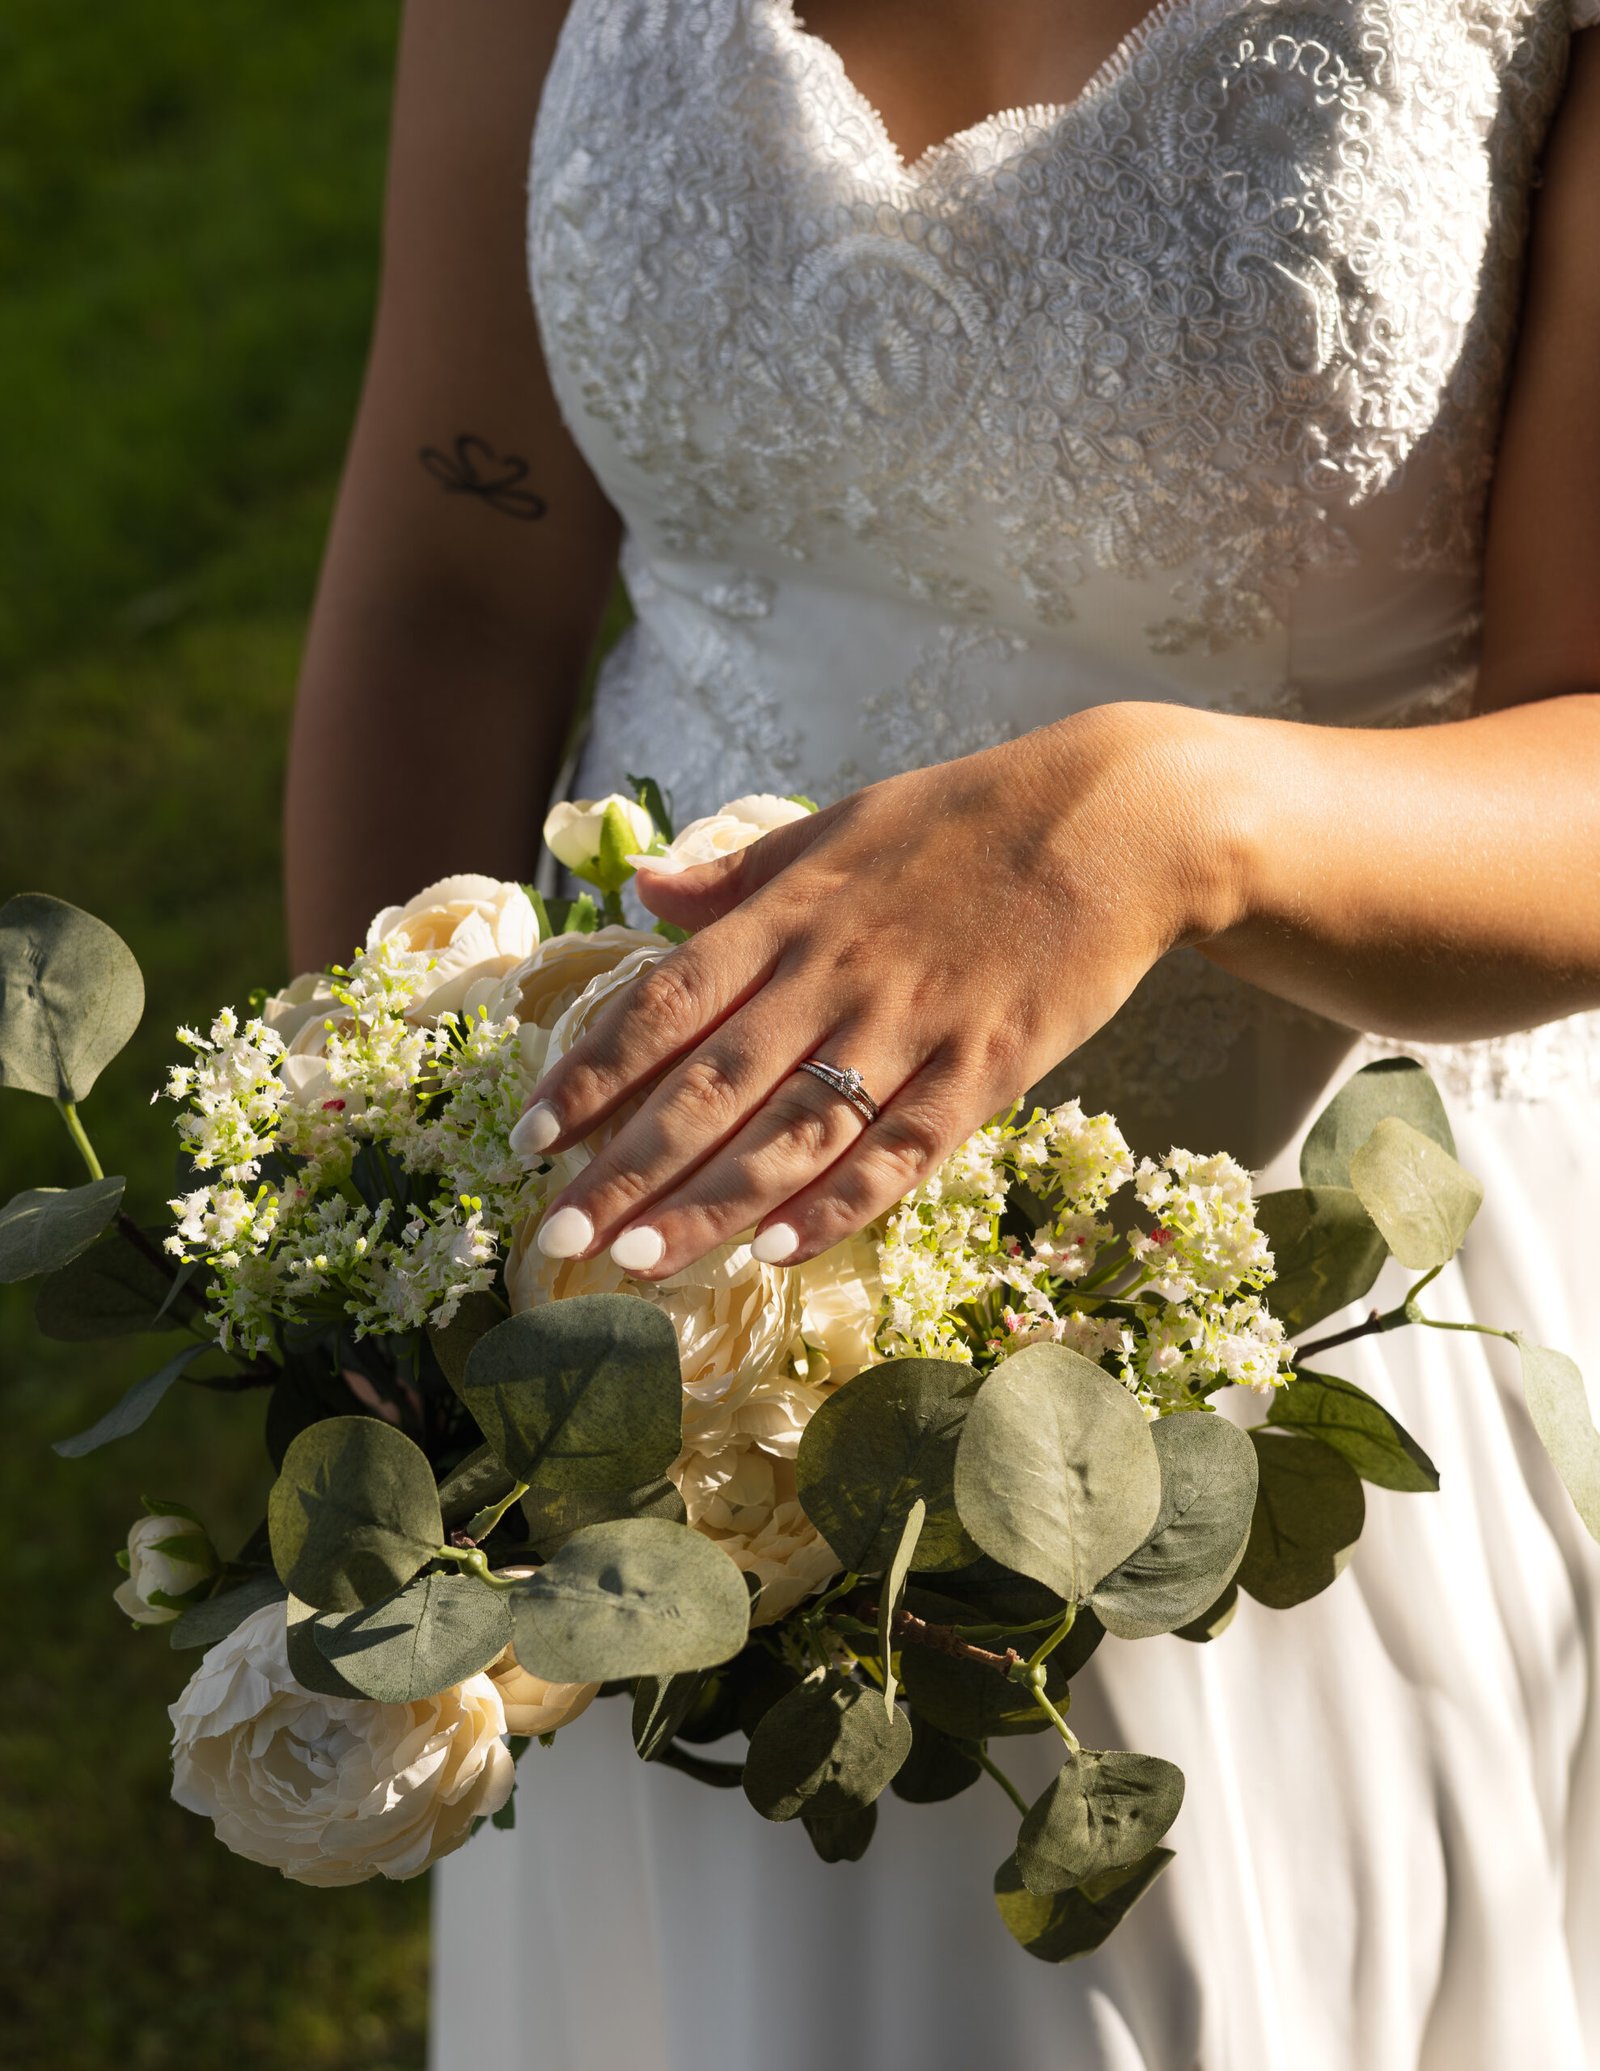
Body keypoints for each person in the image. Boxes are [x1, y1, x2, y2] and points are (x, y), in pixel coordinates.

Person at [284, 3, 1600, 2065]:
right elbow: (458, 578)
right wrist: (371, 1215)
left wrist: (1157, 822)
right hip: (635, 1313)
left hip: (1262, 1297)